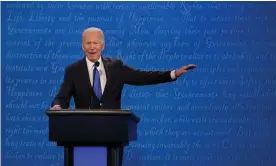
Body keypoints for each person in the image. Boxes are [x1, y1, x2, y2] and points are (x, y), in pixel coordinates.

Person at [50, 27, 196, 165]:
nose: (92, 47)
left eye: (96, 43)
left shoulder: (115, 66)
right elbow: (63, 96)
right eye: (88, 43)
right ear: (82, 46)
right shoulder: (73, 70)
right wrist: (57, 105)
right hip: (83, 134)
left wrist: (173, 74)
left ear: (103, 45)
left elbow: (141, 77)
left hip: (112, 133)